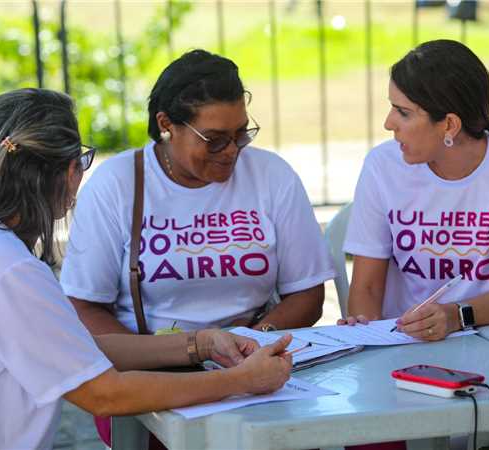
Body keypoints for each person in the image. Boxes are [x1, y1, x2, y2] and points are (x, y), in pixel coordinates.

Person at [0, 88, 294, 450]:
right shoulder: (6, 269)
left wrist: (202, 343)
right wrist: (240, 381)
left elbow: (69, 347)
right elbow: (105, 393)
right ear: (69, 171)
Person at [61, 49, 334, 336]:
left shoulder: (272, 175)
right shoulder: (116, 184)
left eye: (241, 134)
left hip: (254, 356)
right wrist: (168, 356)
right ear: (166, 125)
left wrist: (253, 341)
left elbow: (308, 294)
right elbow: (83, 307)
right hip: (153, 368)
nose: (231, 151)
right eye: (214, 140)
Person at [340, 39, 489, 342]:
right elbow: (367, 289)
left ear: (449, 125)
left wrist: (456, 316)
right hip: (401, 346)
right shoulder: (382, 165)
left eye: (403, 112)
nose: (388, 123)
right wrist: (369, 337)